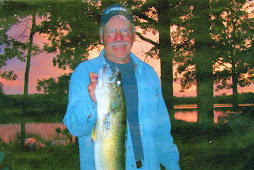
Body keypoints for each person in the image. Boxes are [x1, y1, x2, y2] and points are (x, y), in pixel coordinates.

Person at [63, 3, 180, 170]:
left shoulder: (149, 74)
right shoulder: (84, 72)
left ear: (133, 35)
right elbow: (75, 127)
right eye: (111, 31)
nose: (118, 38)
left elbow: (162, 132)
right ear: (101, 36)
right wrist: (93, 103)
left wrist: (172, 166)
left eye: (125, 30)